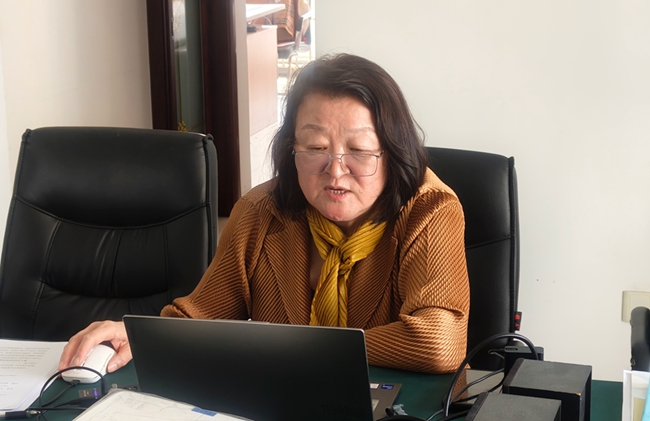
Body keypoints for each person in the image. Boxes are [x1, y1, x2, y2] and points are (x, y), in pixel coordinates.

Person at [59, 53, 470, 375]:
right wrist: (135, 332)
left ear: (393, 150)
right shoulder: (260, 212)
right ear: (291, 148)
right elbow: (200, 317)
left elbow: (439, 342)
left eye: (359, 150)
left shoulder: (430, 210)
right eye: (315, 148)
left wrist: (300, 347)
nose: (335, 170)